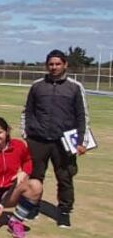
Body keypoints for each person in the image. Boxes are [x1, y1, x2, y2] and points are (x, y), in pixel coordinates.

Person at [21, 49, 89, 228]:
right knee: (35, 176)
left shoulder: (75, 87)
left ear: (65, 65)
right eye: (51, 64)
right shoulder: (37, 85)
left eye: (58, 64)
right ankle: (32, 207)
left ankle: (64, 212)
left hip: (64, 140)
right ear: (46, 66)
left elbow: (82, 116)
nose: (54, 67)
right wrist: (26, 133)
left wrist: (81, 141)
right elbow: (27, 111)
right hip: (38, 139)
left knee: (65, 177)